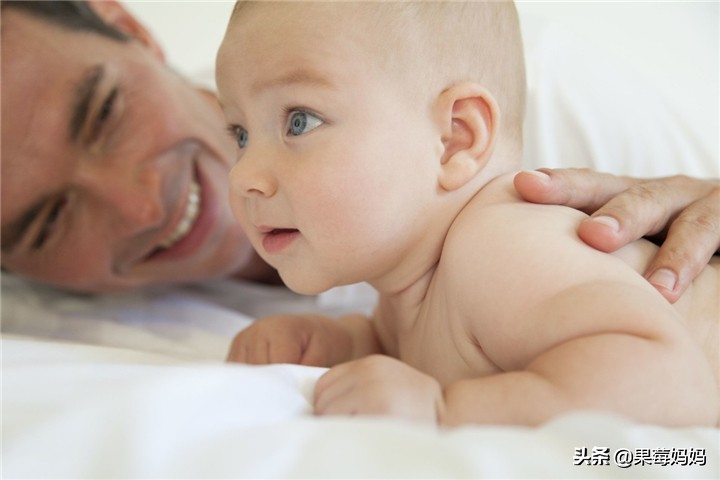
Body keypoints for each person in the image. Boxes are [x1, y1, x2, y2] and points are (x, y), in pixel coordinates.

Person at [1, 0, 717, 302]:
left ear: (128, 26)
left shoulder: (549, 95)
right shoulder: (60, 339)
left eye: (104, 114)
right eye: (48, 221)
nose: (138, 206)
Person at [220, 1, 718, 427]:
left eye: (299, 122)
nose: (245, 176)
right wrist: (343, 344)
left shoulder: (501, 246)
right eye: (240, 134)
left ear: (454, 138)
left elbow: (673, 381)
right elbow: (436, 352)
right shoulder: (411, 288)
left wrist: (445, 411)